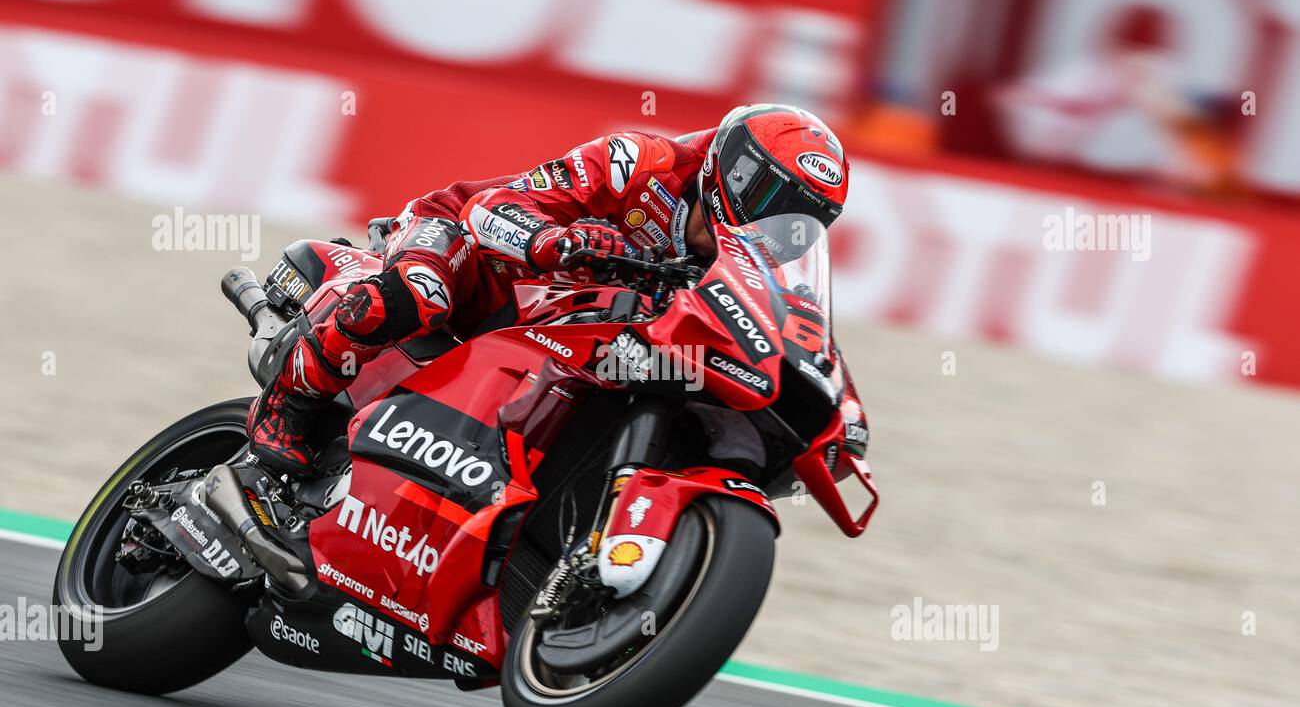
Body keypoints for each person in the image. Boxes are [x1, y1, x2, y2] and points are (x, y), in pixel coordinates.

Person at [248, 103, 851, 479]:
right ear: (736, 172)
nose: (783, 229)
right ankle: (290, 404)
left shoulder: (737, 270)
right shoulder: (638, 163)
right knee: (423, 289)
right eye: (777, 206)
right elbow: (493, 208)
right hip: (468, 248)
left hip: (550, 330)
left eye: (803, 222)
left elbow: (783, 325)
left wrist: (830, 403)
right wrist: (554, 243)